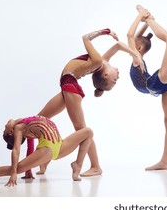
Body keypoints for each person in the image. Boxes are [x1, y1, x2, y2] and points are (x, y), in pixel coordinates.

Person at [24, 28, 142, 178]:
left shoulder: (98, 61)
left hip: (70, 87)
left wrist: (105, 32)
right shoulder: (102, 60)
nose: (118, 76)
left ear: (105, 74)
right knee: (38, 120)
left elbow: (86, 38)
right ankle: (31, 168)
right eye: (116, 80)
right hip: (67, 87)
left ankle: (95, 166)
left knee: (81, 129)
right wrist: (135, 54)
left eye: (114, 80)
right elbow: (118, 46)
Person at [0, 116, 94, 186]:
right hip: (47, 149)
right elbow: (16, 150)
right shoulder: (19, 128)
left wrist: (29, 172)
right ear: (11, 131)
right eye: (5, 129)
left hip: (60, 145)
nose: (5, 125)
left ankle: (77, 165)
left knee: (88, 132)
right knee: (15, 169)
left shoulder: (26, 123)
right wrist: (13, 172)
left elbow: (30, 149)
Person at [127, 5, 167, 171]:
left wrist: (143, 15)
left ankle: (165, 161)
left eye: (133, 45)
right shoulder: (138, 57)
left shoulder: (136, 57)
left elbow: (130, 35)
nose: (130, 46)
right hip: (160, 85)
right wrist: (146, 21)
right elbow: (136, 37)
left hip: (156, 84)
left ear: (138, 48)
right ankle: (165, 162)